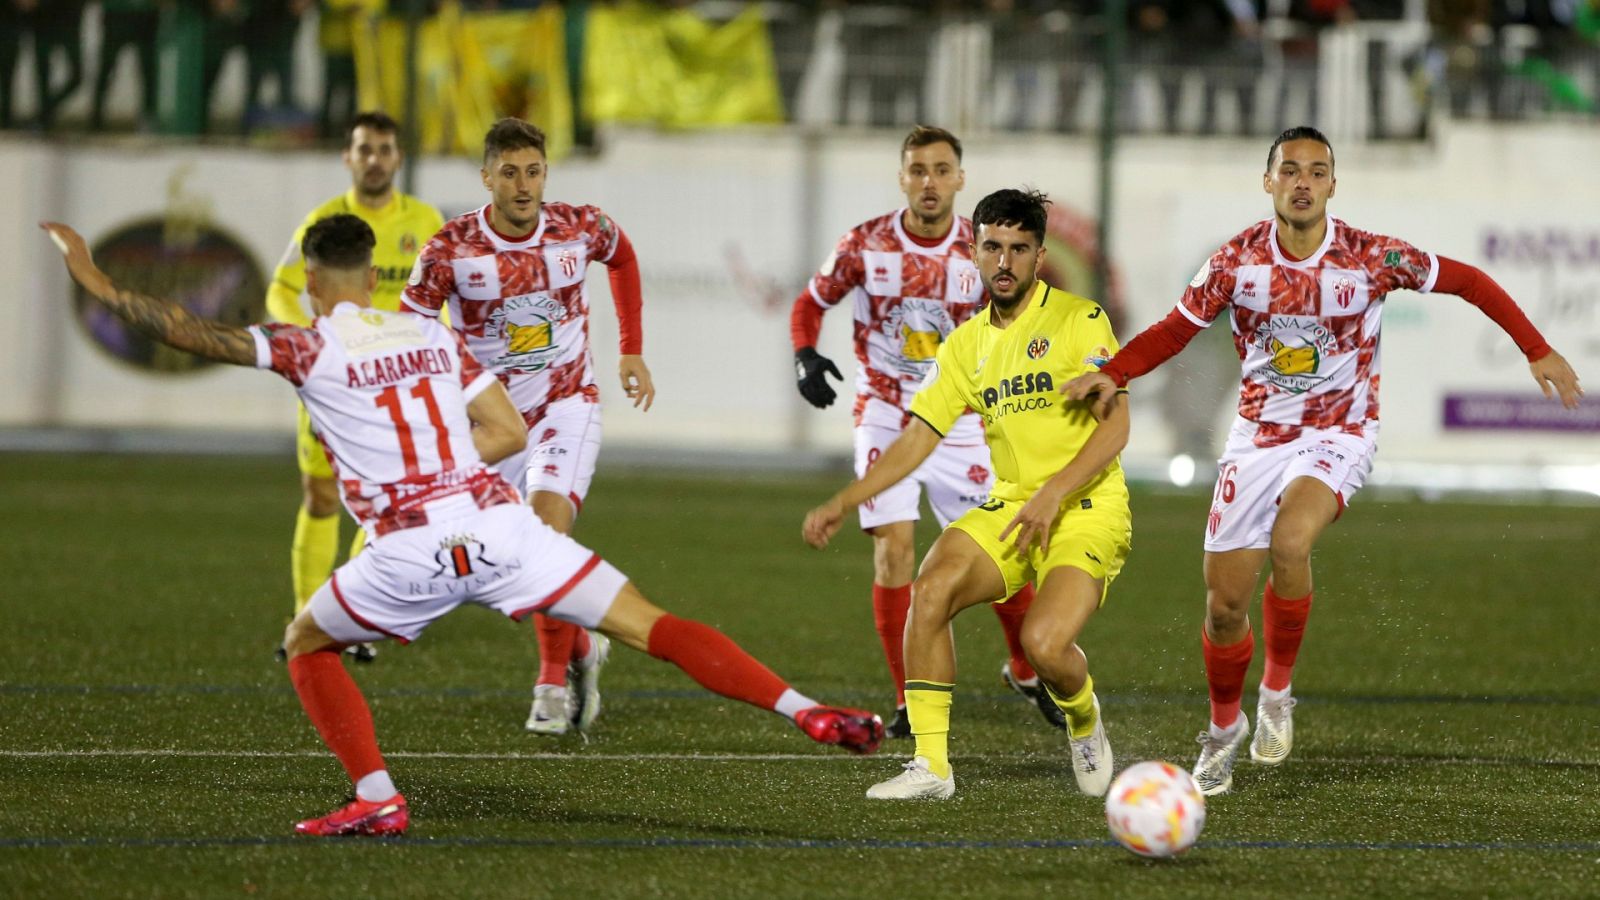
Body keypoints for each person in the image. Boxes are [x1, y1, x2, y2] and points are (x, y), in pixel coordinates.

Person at [43, 213, 885, 838]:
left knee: (307, 642)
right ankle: (807, 710)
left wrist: (98, 281)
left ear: (309, 278)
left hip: (409, 545)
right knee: (653, 624)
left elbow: (191, 332)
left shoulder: (308, 347)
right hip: (499, 523)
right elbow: (511, 434)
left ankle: (377, 799)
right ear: (373, 275)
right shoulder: (431, 336)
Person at [1065, 126, 1583, 796]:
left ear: (1333, 185)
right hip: (1256, 439)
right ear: (1269, 181)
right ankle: (1224, 731)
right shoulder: (1235, 262)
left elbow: (1471, 280)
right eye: (1290, 170)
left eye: (1317, 171)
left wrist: (1535, 347)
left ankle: (1277, 693)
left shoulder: (1369, 256)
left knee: (1292, 539)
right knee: (1224, 607)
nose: (1303, 181)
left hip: (1338, 434)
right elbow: (1174, 329)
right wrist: (1116, 371)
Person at [804, 188, 1132, 801]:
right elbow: (918, 437)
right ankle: (932, 768)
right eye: (992, 247)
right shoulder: (965, 345)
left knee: (1042, 645)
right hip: (1012, 504)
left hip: (1086, 505)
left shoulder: (1079, 320)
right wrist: (845, 501)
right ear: (973, 251)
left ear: (1039, 256)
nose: (1004, 261)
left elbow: (1116, 426)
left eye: (1018, 249)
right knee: (929, 590)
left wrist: (1057, 492)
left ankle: (1085, 721)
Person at [791, 126, 1061, 740]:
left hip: (965, 421)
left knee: (1006, 551)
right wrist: (805, 354)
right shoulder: (865, 244)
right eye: (918, 170)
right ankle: (910, 699)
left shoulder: (986, 251)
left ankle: (1024, 667)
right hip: (886, 412)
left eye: (942, 170)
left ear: (960, 179)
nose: (929, 182)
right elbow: (810, 302)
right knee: (894, 550)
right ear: (902, 177)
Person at [403, 117, 655, 736]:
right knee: (500, 564)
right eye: (509, 172)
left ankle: (549, 686)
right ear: (486, 176)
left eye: (534, 171)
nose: (523, 185)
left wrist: (630, 348)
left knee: (546, 531)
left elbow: (622, 256)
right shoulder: (448, 249)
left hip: (567, 408)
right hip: (491, 424)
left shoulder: (579, 227)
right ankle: (580, 651)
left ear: (547, 173)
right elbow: (411, 328)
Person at [266, 110, 445, 663]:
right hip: (333, 381)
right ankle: (304, 613)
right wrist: (308, 342)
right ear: (348, 157)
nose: (375, 159)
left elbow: (443, 294)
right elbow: (281, 287)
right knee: (320, 497)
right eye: (364, 149)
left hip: (393, 387)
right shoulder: (322, 222)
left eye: (384, 149)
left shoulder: (425, 219)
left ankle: (355, 615)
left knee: (384, 505)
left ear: (398, 157)